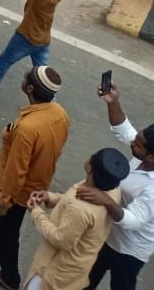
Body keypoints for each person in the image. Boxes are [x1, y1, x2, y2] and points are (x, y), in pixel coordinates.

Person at [0, 66, 70, 290]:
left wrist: (6, 200)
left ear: (29, 88)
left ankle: (9, 277)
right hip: (38, 180)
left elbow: (16, 169)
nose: (22, 79)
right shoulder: (59, 113)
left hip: (18, 190)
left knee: (8, 232)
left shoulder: (27, 128)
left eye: (25, 78)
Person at [77, 80, 154, 290]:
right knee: (84, 279)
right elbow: (124, 130)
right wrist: (112, 102)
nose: (133, 143)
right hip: (108, 234)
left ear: (152, 157)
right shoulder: (142, 154)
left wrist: (106, 201)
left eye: (138, 144)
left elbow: (134, 221)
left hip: (129, 250)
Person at [23, 148, 130, 290]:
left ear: (90, 167)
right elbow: (70, 200)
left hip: (54, 270)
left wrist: (36, 212)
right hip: (77, 267)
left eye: (93, 156)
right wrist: (51, 197)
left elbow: (61, 239)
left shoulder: (80, 209)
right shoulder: (110, 189)